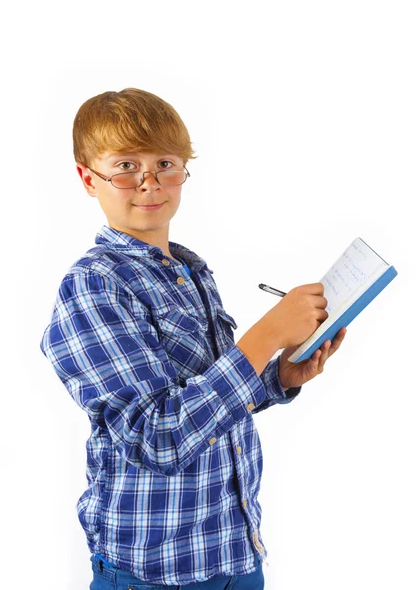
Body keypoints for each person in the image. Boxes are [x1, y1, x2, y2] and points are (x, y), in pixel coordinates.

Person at [39, 87, 347, 589]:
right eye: (124, 165)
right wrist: (266, 333)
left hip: (235, 553)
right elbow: (160, 436)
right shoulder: (94, 285)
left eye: (165, 163)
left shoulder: (190, 270)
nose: (148, 183)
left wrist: (277, 377)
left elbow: (204, 400)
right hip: (157, 574)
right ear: (87, 179)